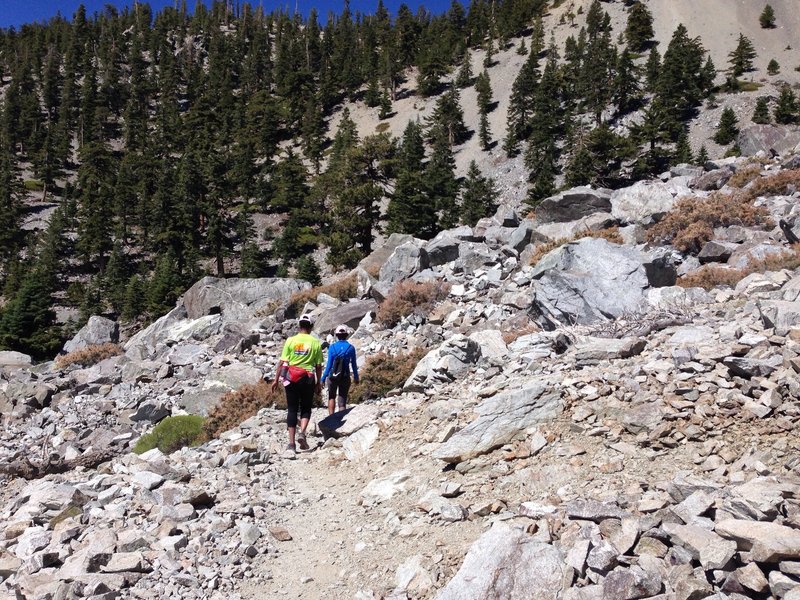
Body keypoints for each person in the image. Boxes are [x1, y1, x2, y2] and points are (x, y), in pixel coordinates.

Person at [271, 313, 323, 458]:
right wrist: (319, 383)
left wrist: (276, 380)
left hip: (291, 377)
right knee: (306, 407)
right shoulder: (315, 342)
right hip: (307, 378)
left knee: (292, 409)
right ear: (311, 327)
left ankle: (292, 444)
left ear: (299, 325)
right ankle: (302, 432)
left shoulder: (290, 340)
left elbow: (282, 362)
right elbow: (318, 365)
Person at [320, 324, 360, 415]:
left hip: (332, 376)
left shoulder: (332, 347)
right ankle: (341, 418)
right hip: (345, 376)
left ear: (337, 335)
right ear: (346, 335)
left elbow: (329, 365)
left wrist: (322, 379)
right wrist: (356, 378)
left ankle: (331, 420)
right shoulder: (351, 348)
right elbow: (354, 364)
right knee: (342, 401)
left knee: (331, 397)